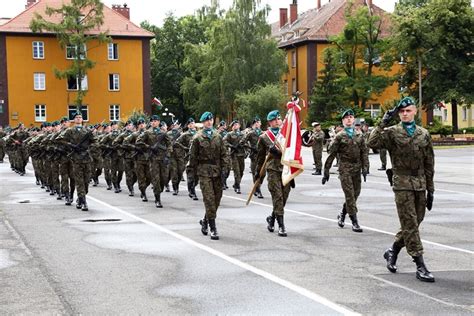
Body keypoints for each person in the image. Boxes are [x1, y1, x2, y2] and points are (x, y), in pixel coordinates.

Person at [367, 96, 435, 282]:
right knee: (411, 223)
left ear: (415, 112)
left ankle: (393, 250)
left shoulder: (423, 134)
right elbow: (371, 143)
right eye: (402, 111)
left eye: (408, 111)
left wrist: (431, 189)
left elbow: (429, 163)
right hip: (402, 183)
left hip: (420, 183)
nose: (405, 114)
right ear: (399, 114)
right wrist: (382, 122)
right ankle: (420, 265)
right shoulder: (392, 132)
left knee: (414, 222)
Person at [322, 109, 369, 233]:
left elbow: (364, 152)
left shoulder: (359, 135)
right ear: (343, 121)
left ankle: (343, 213)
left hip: (356, 168)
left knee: (355, 194)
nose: (349, 119)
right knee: (349, 195)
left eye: (351, 117)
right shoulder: (339, 136)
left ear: (353, 120)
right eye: (346, 118)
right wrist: (326, 170)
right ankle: (354, 222)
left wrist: (365, 167)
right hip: (345, 168)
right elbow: (332, 154)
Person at [188, 112, 229, 240]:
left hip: (217, 171)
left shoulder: (218, 136)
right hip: (204, 171)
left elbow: (224, 154)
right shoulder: (197, 138)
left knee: (217, 199)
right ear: (203, 122)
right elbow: (192, 158)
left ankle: (205, 221)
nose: (209, 122)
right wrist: (191, 176)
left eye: (210, 120)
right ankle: (213, 228)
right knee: (209, 199)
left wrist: (225, 170)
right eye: (206, 121)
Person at [255, 110, 293, 237]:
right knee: (277, 196)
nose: (277, 121)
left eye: (278, 119)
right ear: (270, 122)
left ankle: (272, 218)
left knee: (283, 198)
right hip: (272, 170)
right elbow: (260, 158)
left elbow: (293, 152)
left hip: (286, 169)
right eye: (274, 120)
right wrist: (258, 174)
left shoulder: (287, 133)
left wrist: (293, 171)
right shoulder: (264, 137)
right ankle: (281, 226)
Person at [56, 111, 96, 211]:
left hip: (86, 158)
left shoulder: (87, 131)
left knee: (86, 181)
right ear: (74, 120)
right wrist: (71, 146)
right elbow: (59, 139)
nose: (78, 118)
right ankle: (83, 202)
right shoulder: (70, 131)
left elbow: (95, 142)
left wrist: (88, 148)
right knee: (79, 181)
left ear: (82, 119)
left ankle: (80, 198)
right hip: (76, 159)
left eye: (80, 117)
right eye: (76, 117)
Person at [136, 115, 172, 208]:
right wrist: (149, 147)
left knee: (163, 179)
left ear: (159, 122)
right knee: (155, 179)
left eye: (155, 121)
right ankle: (157, 199)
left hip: (163, 159)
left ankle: (158, 192)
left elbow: (170, 144)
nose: (154, 122)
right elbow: (138, 142)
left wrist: (168, 155)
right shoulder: (147, 133)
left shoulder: (163, 133)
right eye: (152, 121)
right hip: (153, 160)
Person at [175, 118, 199, 200]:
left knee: (197, 177)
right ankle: (192, 192)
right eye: (190, 123)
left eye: (193, 123)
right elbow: (177, 142)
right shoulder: (185, 134)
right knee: (190, 176)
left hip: (198, 158)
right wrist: (184, 148)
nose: (192, 124)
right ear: (188, 125)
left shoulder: (199, 134)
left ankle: (193, 187)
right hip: (189, 157)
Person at [242, 116, 263, 198]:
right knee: (255, 173)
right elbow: (242, 142)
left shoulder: (262, 133)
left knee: (262, 174)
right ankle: (258, 190)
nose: (260, 124)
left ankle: (257, 187)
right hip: (254, 156)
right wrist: (251, 148)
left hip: (261, 156)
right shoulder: (250, 133)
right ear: (256, 123)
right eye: (259, 122)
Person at [223, 120, 246, 194]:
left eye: (237, 124)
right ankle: (238, 187)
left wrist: (247, 152)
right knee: (237, 172)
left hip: (241, 154)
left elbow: (247, 143)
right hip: (234, 155)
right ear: (232, 127)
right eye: (234, 125)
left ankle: (236, 184)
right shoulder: (229, 134)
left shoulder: (243, 134)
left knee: (241, 171)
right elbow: (224, 141)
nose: (236, 126)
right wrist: (231, 146)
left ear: (239, 126)